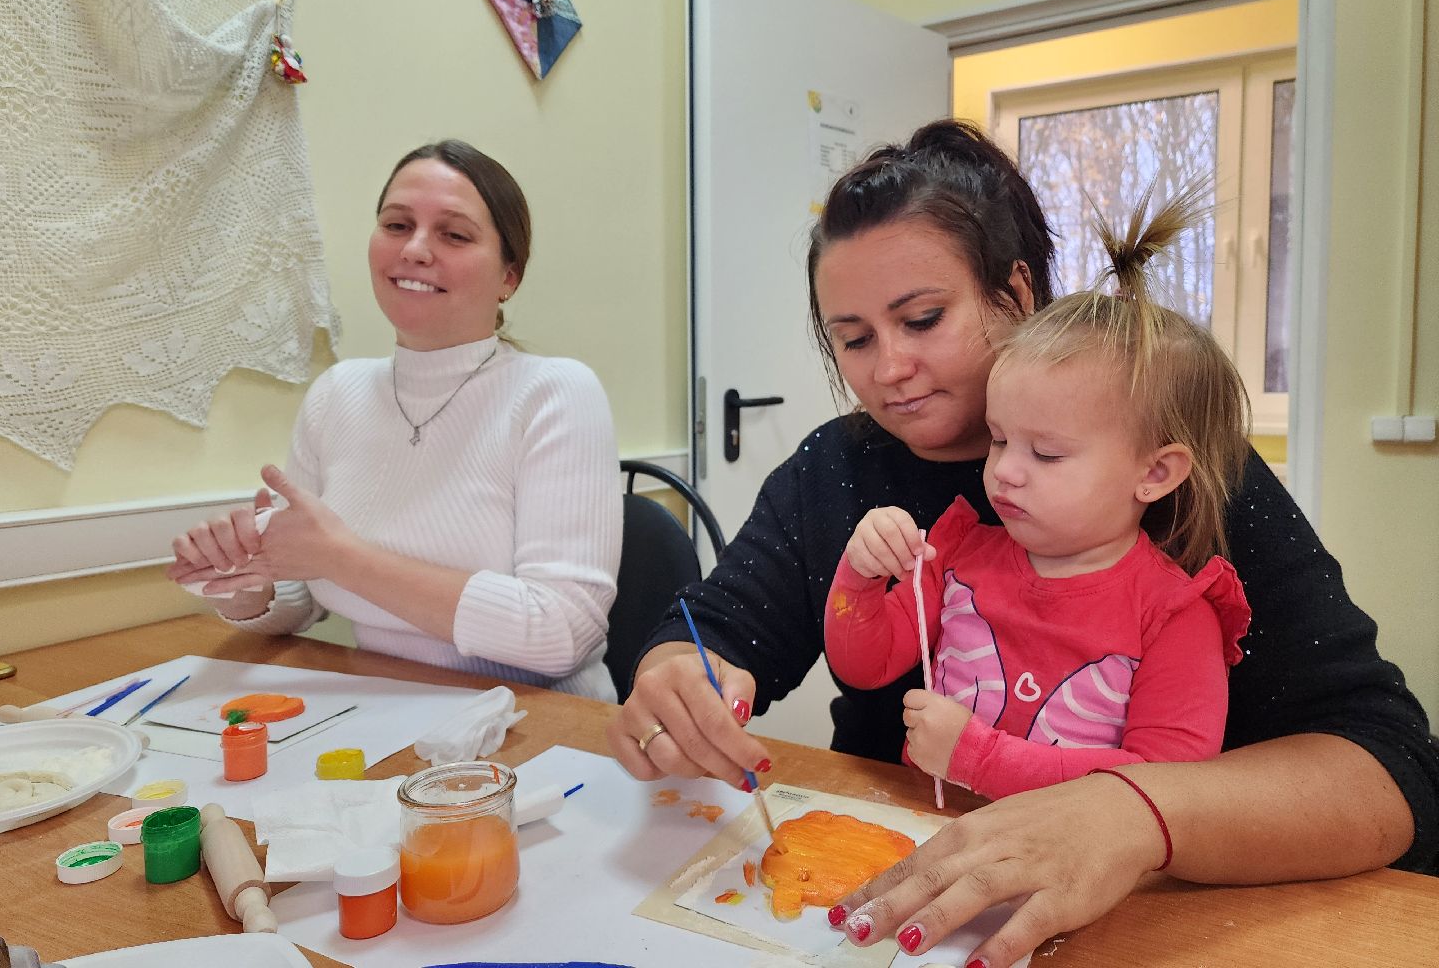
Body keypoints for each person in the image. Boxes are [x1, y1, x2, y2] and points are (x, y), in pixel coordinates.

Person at [606, 120, 1438, 964]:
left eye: (923, 319)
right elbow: (717, 624)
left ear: (1017, 292)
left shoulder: (1180, 470)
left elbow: (1387, 770)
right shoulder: (839, 469)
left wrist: (1137, 812)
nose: (887, 369)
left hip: (1146, 918)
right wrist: (678, 676)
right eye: (854, 339)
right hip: (883, 898)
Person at [826, 182, 1251, 799]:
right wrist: (860, 575)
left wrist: (978, 757)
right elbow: (863, 664)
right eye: (998, 440)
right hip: (929, 845)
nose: (1004, 471)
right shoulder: (961, 554)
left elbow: (1167, 783)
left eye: (1046, 453)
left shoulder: (1173, 616)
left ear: (1155, 474)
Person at [167, 140, 622, 700]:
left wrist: (340, 555)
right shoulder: (337, 393)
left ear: (510, 276)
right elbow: (301, 602)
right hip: (379, 713)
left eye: (454, 234)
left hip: (541, 727)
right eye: (397, 225)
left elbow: (561, 635)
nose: (416, 250)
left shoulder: (554, 393)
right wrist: (245, 586)